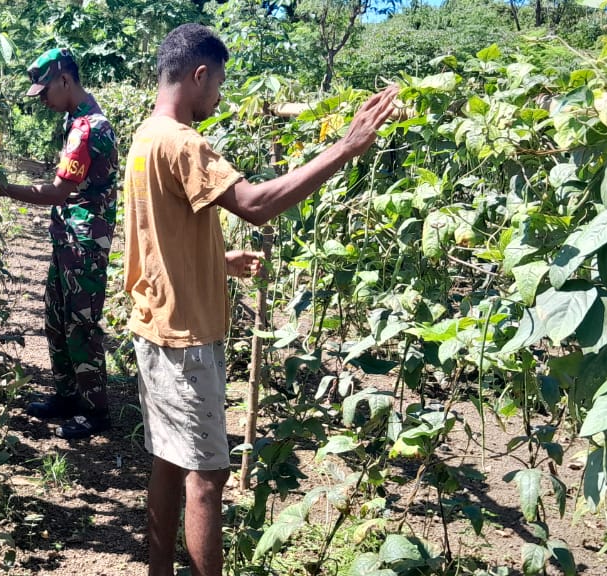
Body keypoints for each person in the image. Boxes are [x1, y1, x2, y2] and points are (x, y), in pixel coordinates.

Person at [122, 24, 400, 576]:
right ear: (199, 75)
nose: (219, 97)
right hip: (187, 339)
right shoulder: (184, 142)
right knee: (207, 478)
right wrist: (346, 147)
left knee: (168, 462)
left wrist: (216, 262)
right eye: (218, 83)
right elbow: (256, 203)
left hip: (155, 325)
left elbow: (155, 233)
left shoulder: (145, 136)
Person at [0, 48, 120, 440]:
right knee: (55, 318)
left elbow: (55, 193)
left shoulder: (88, 129)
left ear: (65, 80)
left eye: (45, 90)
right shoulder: (75, 120)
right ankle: (67, 396)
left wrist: (2, 188)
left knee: (80, 324)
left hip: (84, 243)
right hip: (68, 240)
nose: (43, 100)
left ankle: (95, 411)